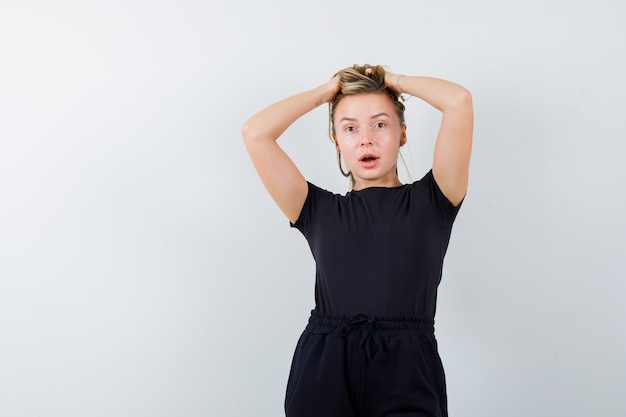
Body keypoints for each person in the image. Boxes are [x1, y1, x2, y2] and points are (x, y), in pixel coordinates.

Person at [242, 64, 473, 417]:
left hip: (407, 365)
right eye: (350, 128)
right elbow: (255, 132)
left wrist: (391, 81)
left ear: (403, 134)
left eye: (380, 124)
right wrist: (326, 92)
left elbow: (458, 101)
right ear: (336, 141)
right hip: (325, 364)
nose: (366, 138)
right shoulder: (316, 209)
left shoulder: (434, 200)